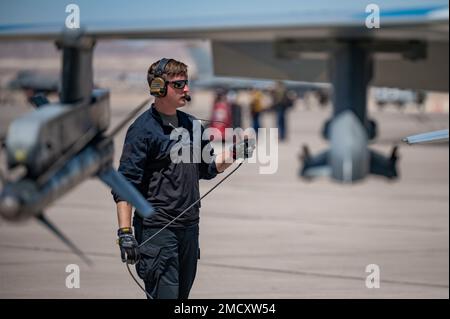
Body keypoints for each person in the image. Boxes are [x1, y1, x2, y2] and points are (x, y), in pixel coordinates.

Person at [112, 58, 255, 299]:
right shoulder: (143, 130)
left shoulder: (192, 125)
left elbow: (208, 168)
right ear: (159, 88)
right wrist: (125, 233)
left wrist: (236, 152)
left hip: (189, 229)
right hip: (158, 232)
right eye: (179, 85)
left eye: (186, 83)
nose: (186, 89)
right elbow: (125, 184)